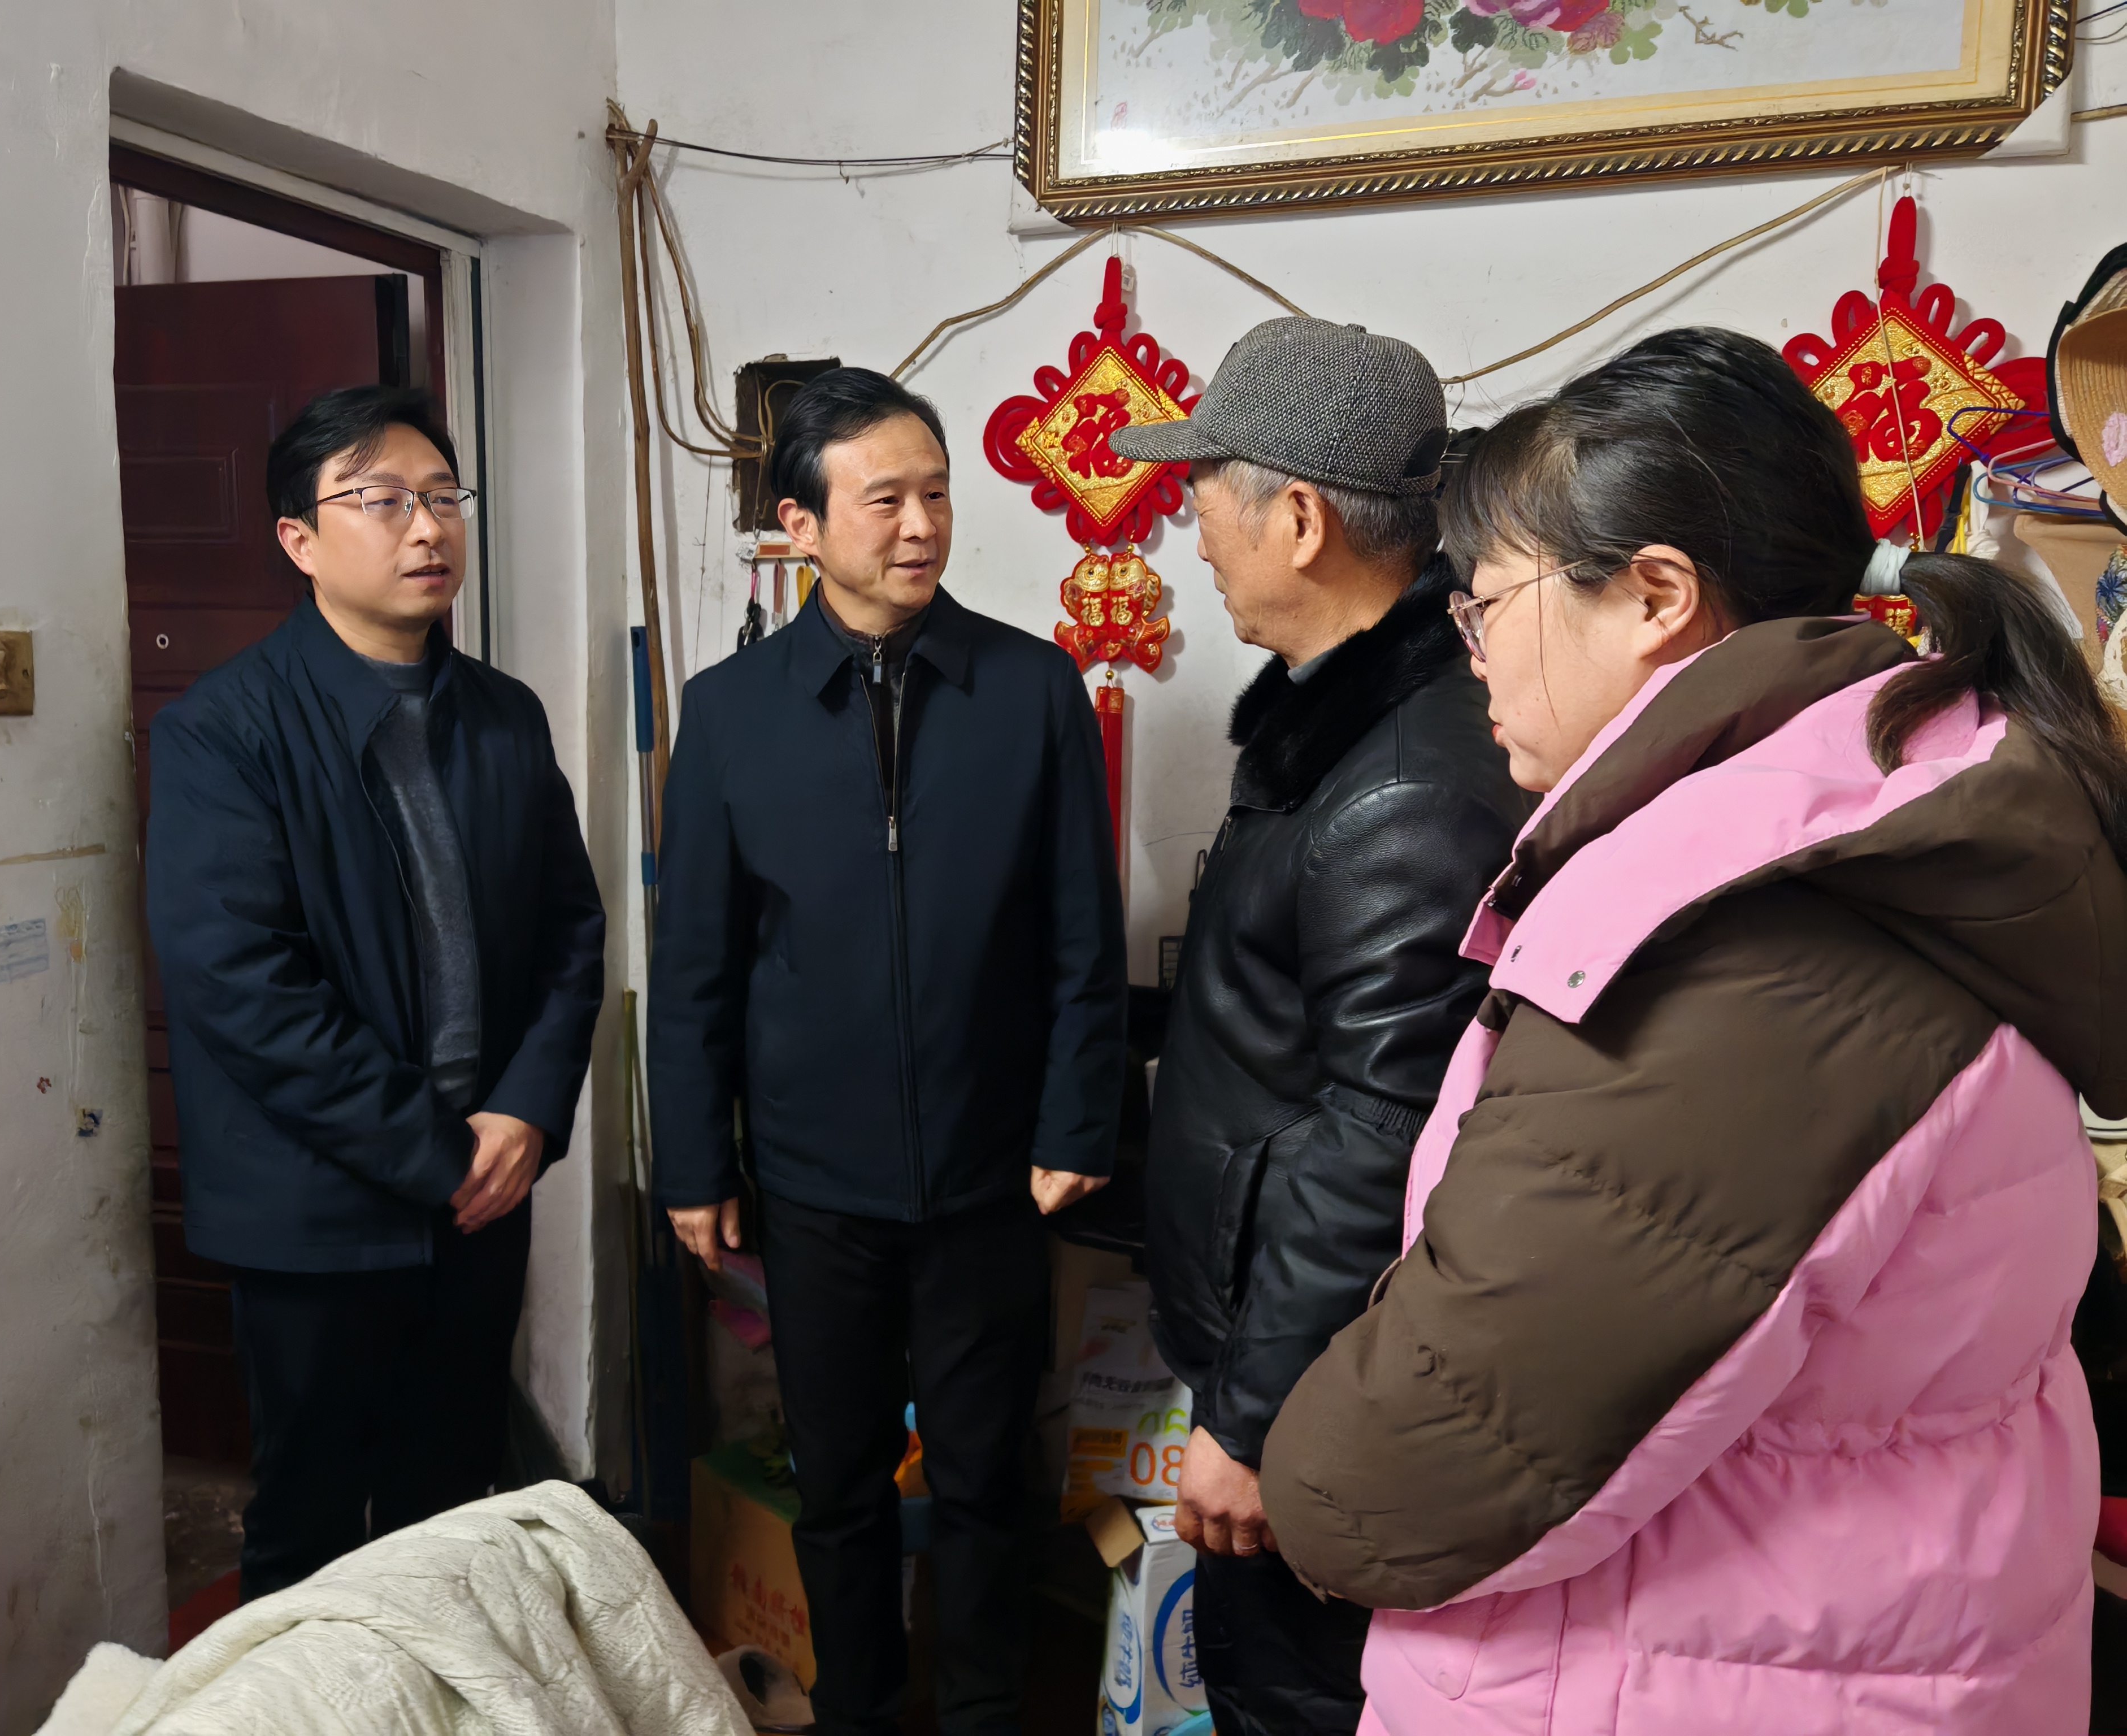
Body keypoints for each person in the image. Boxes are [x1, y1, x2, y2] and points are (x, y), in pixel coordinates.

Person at [1261, 327, 2127, 1734]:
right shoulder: (1893, 807)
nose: (1473, 659)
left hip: (1660, 1677)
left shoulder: (1742, 934)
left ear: (1653, 596)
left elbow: (1411, 1473)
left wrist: (1303, 1468)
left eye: (1485, 606)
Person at [648, 367, 1127, 1736]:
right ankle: (856, 1707)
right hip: (813, 1184)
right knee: (841, 1483)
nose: (920, 526)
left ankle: (980, 1715)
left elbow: (1081, 933)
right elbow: (695, 965)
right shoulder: (730, 712)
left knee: (983, 1479)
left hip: (990, 1173)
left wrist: (1074, 1123)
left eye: (935, 494)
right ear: (799, 526)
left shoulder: (1031, 687)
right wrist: (694, 1162)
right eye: (883, 501)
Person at [1109, 320, 1531, 1736]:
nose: (1193, 534)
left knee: (1296, 1698)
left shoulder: (1402, 790)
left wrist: (1246, 1419)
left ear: (1295, 519)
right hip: (1274, 1352)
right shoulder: (1340, 730)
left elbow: (1380, 1135)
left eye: (1202, 496)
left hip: (1316, 1391)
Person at [147, 385, 606, 1601]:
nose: (428, 527)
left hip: (482, 1194)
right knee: (305, 1529)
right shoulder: (224, 732)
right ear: (298, 539)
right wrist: (435, 1152)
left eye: (443, 497)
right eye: (383, 500)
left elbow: (571, 932)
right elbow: (243, 986)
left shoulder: (503, 717)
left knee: (448, 1512)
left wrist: (526, 1112)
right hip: (316, 1209)